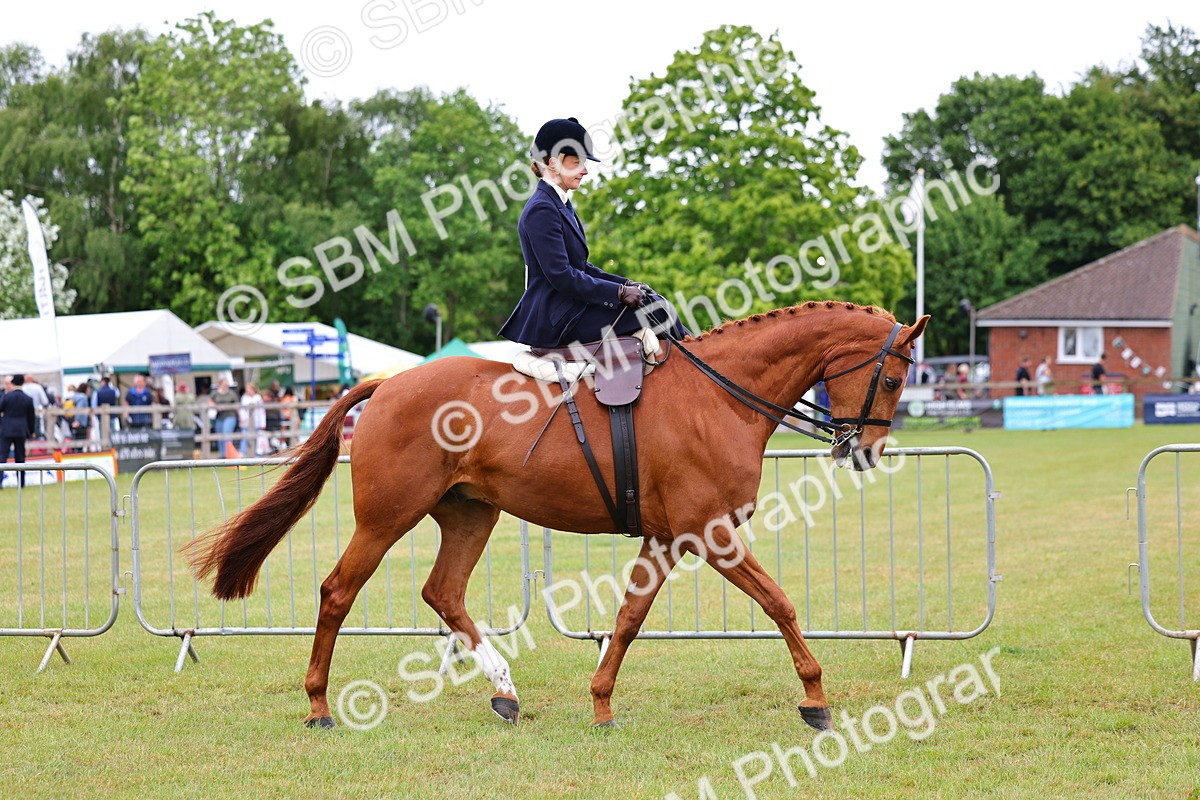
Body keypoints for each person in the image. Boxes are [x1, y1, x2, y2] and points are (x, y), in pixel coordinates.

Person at [498, 116, 686, 349]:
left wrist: (627, 284)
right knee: (655, 311)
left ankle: (698, 353)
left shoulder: (561, 203)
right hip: (557, 318)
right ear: (553, 162)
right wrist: (618, 293)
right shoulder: (541, 208)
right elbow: (562, 276)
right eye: (577, 162)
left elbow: (582, 267)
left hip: (572, 307)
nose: (585, 171)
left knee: (655, 301)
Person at [0, 375, 37, 488]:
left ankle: (0, 482)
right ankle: (21, 483)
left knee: (2, 456)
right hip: (21, 430)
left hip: (6, 430)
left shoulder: (7, 397)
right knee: (20, 457)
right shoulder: (28, 398)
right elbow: (31, 417)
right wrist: (31, 431)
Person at [209, 378, 240, 457]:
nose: (225, 385)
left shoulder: (231, 393)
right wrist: (215, 407)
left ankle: (229, 454)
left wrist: (240, 417)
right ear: (220, 384)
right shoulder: (215, 393)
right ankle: (223, 455)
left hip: (230, 415)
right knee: (220, 436)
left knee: (227, 434)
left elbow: (237, 405)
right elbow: (210, 401)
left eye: (226, 384)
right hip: (219, 417)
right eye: (224, 383)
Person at [239, 383, 268, 456]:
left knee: (257, 440)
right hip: (247, 422)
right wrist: (242, 419)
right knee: (245, 438)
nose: (248, 391)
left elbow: (262, 411)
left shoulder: (258, 398)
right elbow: (242, 410)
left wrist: (263, 423)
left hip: (257, 422)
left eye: (249, 389)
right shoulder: (244, 398)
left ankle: (258, 455)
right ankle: (241, 454)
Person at [21, 374, 50, 438]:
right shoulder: (37, 387)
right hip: (36, 413)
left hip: (23, 415)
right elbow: (45, 401)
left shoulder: (22, 388)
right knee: (36, 433)